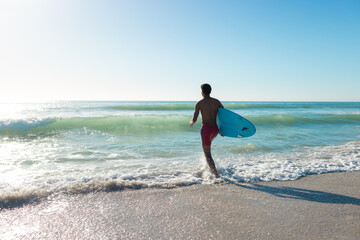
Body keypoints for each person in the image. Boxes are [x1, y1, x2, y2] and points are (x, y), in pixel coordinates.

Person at [189, 84, 224, 177]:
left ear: (202, 92)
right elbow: (223, 115)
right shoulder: (217, 102)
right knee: (208, 151)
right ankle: (210, 169)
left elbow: (195, 119)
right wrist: (222, 130)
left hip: (206, 130)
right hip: (215, 130)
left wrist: (191, 122)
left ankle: (216, 174)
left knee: (207, 154)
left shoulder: (199, 103)